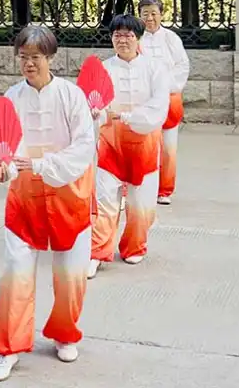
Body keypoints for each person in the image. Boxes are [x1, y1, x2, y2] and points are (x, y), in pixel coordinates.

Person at [0, 25, 95, 382]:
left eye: (35, 56)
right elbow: (3, 144)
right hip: (24, 195)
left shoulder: (71, 95)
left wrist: (42, 165)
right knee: (16, 271)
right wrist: (2, 169)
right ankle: (8, 347)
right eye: (23, 56)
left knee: (71, 273)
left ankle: (65, 331)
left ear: (50, 57)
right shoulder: (11, 96)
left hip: (68, 192)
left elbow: (84, 147)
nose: (28, 63)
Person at [88, 14, 170, 279]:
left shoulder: (155, 69)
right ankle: (97, 252)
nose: (122, 40)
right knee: (105, 200)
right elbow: (92, 102)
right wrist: (95, 112)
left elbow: (158, 107)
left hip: (144, 143)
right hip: (110, 143)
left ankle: (135, 245)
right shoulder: (102, 68)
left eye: (128, 35)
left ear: (138, 38)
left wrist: (127, 117)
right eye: (117, 35)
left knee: (140, 200)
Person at [137, 0, 189, 205]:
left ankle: (165, 190)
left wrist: (166, 88)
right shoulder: (135, 38)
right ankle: (139, 185)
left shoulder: (171, 38)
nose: (149, 18)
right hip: (143, 99)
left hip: (168, 98)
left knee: (168, 147)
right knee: (142, 145)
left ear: (161, 14)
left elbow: (182, 66)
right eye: (145, 14)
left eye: (153, 13)